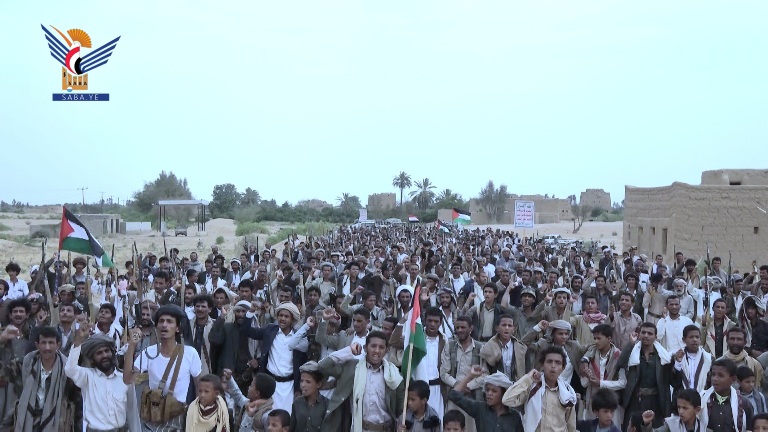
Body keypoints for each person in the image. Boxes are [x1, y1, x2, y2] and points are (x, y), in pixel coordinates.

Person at [123, 304, 203, 431]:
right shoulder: (149, 352)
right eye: (161, 321)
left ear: (178, 328)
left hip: (178, 417)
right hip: (153, 417)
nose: (164, 325)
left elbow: (199, 386)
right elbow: (128, 379)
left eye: (169, 321)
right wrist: (132, 345)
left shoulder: (190, 353)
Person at [317, 333, 404, 432]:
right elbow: (323, 367)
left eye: (381, 347)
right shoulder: (352, 368)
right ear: (365, 348)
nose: (377, 351)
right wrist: (348, 350)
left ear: (386, 350)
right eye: (373, 346)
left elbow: (399, 409)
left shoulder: (393, 375)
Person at [239, 301, 310, 414]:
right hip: (269, 384)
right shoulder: (270, 330)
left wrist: (298, 389)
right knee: (266, 417)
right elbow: (246, 331)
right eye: (280, 315)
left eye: (286, 316)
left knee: (285, 417)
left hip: (289, 386)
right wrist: (251, 311)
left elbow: (303, 362)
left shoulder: (299, 337)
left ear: (292, 319)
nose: (282, 319)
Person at [66, 321, 136, 432]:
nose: (104, 355)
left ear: (112, 352)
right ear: (92, 359)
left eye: (107, 351)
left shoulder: (124, 379)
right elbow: (70, 370)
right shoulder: (87, 377)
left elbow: (132, 413)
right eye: (99, 353)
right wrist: (79, 340)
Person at [502, 346, 578, 432]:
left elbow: (571, 426)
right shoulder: (532, 387)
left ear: (563, 368)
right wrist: (528, 378)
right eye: (549, 361)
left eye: (558, 363)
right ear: (542, 365)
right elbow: (507, 400)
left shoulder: (567, 393)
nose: (553, 366)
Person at [12, 325, 70, 432]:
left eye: (51, 343)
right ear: (37, 345)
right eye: (43, 343)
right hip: (29, 421)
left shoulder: (67, 368)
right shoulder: (27, 363)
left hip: (56, 422)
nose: (47, 347)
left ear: (58, 345)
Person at [616, 322, 672, 430]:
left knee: (654, 428)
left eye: (650, 333)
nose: (646, 335)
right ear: (639, 334)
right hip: (635, 400)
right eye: (643, 332)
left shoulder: (662, 356)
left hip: (656, 401)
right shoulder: (634, 352)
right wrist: (631, 344)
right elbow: (620, 363)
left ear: (656, 336)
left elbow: (670, 379)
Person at [440, 316, 487, 432]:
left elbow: (485, 375)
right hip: (454, 395)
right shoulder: (450, 346)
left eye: (463, 327)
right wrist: (458, 386)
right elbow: (444, 373)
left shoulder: (480, 347)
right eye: (457, 328)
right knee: (452, 426)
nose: (460, 330)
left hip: (473, 396)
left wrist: (468, 386)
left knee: (470, 427)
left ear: (471, 328)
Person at [447, 369, 523, 431]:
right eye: (487, 390)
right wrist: (470, 375)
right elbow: (453, 395)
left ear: (503, 394)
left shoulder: (514, 416)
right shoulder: (480, 409)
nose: (489, 393)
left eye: (494, 391)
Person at [579, 324, 625, 427]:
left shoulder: (619, 356)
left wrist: (601, 383)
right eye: (594, 338)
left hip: (611, 402)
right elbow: (584, 384)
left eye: (599, 338)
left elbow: (623, 382)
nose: (596, 341)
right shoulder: (589, 355)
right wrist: (586, 375)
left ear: (609, 339)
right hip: (593, 401)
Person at [700, 358, 753, 432]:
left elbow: (749, 429)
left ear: (733, 379)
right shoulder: (701, 399)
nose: (715, 379)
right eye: (713, 374)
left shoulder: (744, 404)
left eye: (720, 375)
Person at [639, 388, 703, 432]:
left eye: (685, 408)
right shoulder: (671, 426)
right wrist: (646, 423)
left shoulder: (704, 428)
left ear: (697, 410)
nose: (680, 411)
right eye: (679, 407)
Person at [289, 361, 328, 432]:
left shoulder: (326, 405)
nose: (303, 385)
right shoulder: (297, 403)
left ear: (318, 384)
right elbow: (292, 428)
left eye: (308, 382)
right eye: (301, 381)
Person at [671, 325, 712, 393]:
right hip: (682, 396)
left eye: (697, 337)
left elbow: (711, 383)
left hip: (703, 397)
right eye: (691, 337)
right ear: (684, 340)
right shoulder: (676, 357)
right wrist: (678, 363)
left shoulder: (708, 359)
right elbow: (674, 383)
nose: (695, 340)